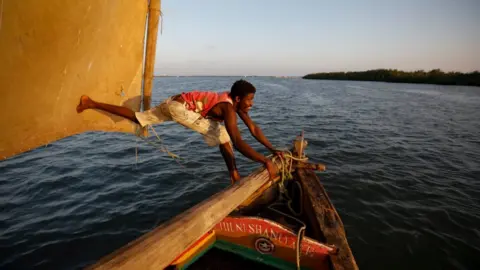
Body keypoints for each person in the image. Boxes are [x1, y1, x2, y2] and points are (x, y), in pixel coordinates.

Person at [76, 79, 280, 183]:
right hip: (179, 109)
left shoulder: (234, 105)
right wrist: (265, 161)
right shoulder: (228, 108)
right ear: (237, 99)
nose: (251, 104)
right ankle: (235, 178)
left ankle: (90, 102)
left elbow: (253, 128)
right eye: (250, 100)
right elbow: (237, 141)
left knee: (138, 118)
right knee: (225, 136)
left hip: (173, 102)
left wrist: (272, 149)